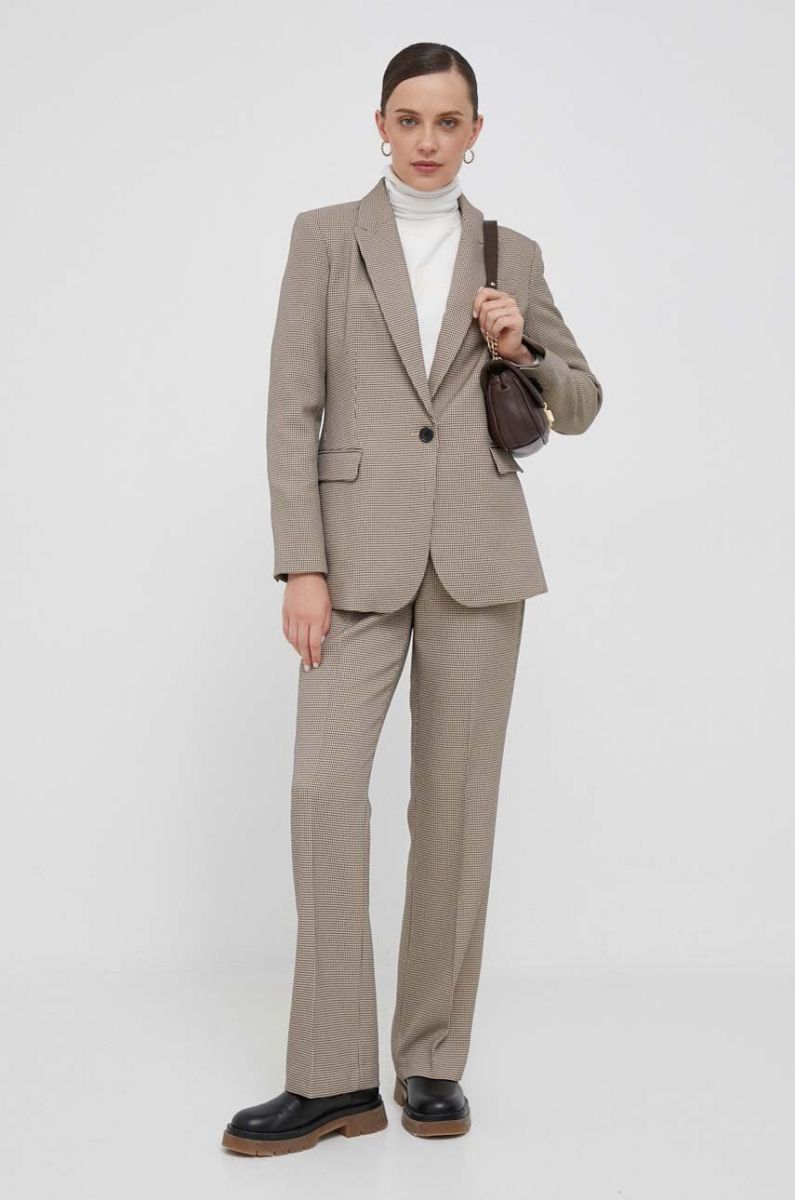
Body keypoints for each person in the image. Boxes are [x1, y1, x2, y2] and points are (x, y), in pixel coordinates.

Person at [222, 41, 603, 1157]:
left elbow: (582, 401)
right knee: (321, 793)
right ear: (379, 124)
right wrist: (301, 562)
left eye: (447, 121)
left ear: (475, 132)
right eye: (408, 118)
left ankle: (431, 1059)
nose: (426, 140)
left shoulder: (510, 252)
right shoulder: (324, 238)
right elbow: (291, 409)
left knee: (454, 809)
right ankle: (333, 1076)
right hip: (352, 559)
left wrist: (520, 346)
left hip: (480, 558)